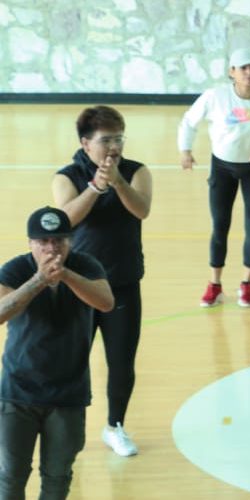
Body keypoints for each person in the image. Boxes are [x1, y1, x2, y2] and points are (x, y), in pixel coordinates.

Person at [51, 106, 153, 457]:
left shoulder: (136, 171)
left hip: (123, 281)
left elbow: (141, 210)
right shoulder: (66, 177)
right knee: (71, 361)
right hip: (80, 285)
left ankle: (115, 426)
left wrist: (118, 182)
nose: (114, 147)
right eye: (106, 140)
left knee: (122, 362)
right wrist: (96, 187)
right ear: (85, 143)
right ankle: (66, 428)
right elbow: (66, 219)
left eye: (119, 139)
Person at [0, 207, 115, 499]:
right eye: (43, 242)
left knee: (57, 477)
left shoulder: (85, 265)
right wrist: (38, 280)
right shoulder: (15, 269)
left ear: (70, 242)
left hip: (68, 395)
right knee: (11, 475)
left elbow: (106, 302)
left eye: (59, 241)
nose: (52, 248)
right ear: (30, 243)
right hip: (17, 394)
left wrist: (66, 276)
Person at [178, 48, 250, 308]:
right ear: (232, 72)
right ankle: (215, 285)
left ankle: (247, 283)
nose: (249, 72)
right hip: (222, 169)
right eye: (243, 68)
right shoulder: (215, 96)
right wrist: (185, 150)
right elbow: (189, 122)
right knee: (220, 226)